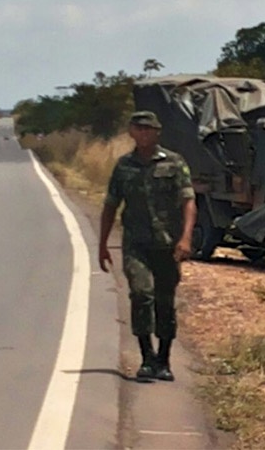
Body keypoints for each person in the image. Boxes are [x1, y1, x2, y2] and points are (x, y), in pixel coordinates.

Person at [98, 110, 197, 382]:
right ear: (131, 132)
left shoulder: (174, 162)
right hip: (136, 243)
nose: (143, 133)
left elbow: (188, 201)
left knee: (165, 300)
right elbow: (110, 205)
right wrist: (102, 244)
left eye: (148, 129)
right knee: (141, 294)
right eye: (138, 128)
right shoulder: (124, 166)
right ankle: (146, 357)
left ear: (157, 132)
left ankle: (163, 360)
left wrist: (186, 238)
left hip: (167, 244)